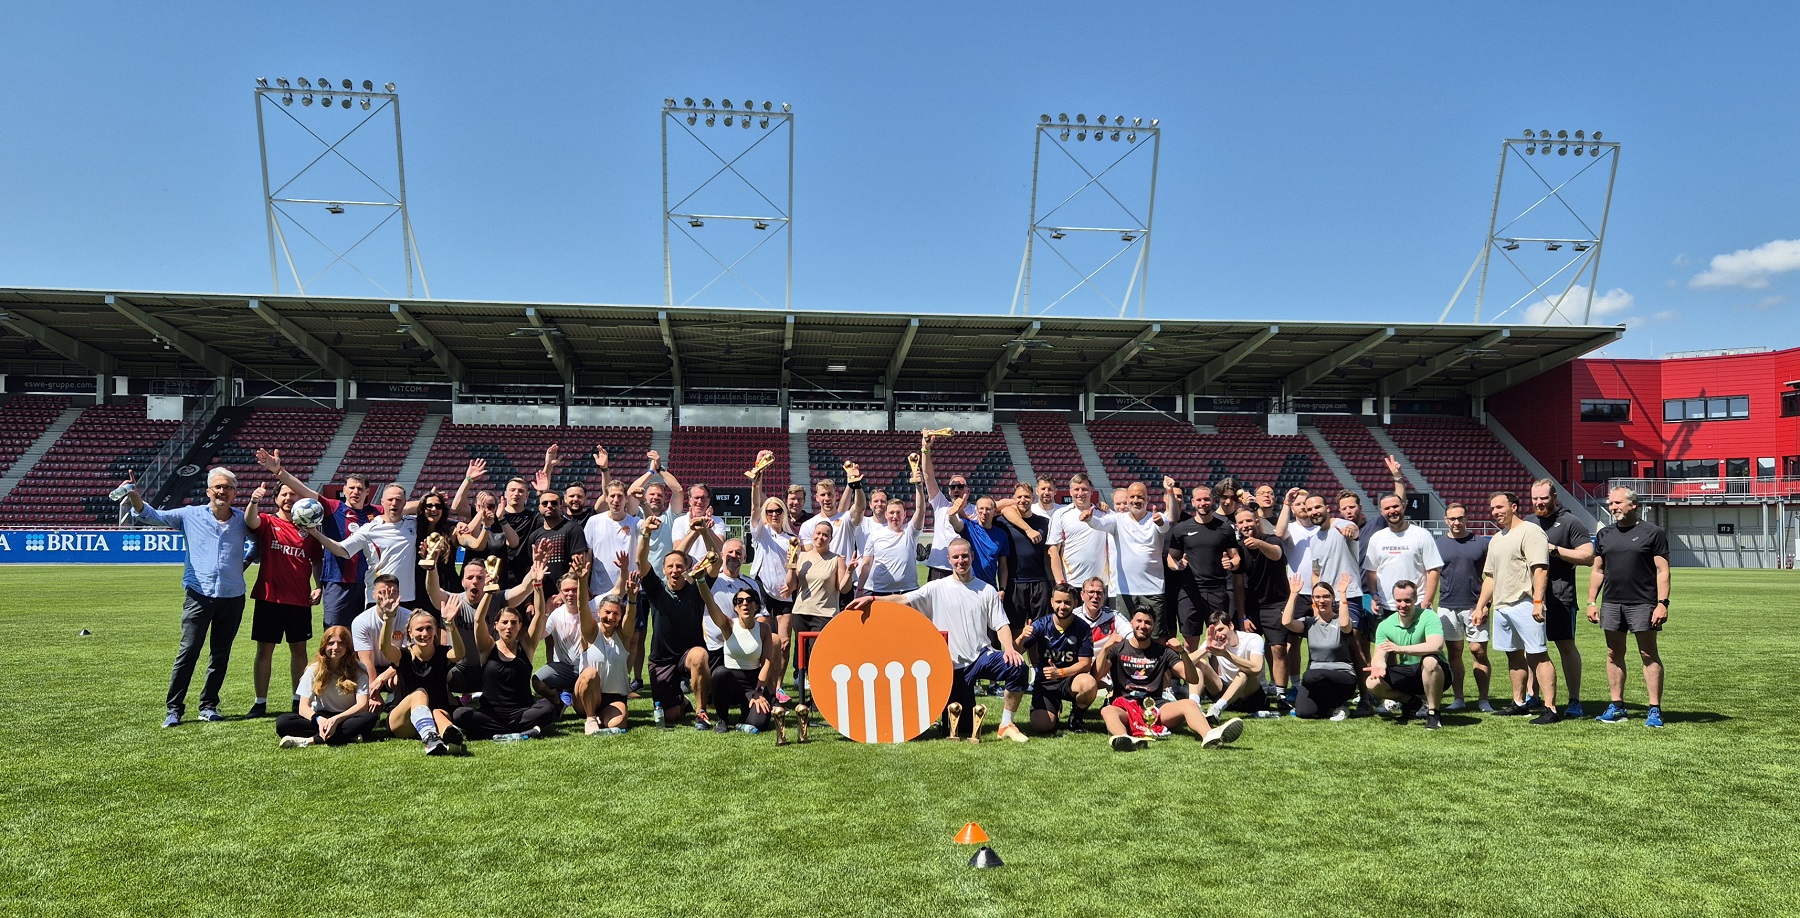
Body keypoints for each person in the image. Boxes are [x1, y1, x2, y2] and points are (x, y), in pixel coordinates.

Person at [850, 538, 1030, 743]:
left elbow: (1000, 624)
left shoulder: (986, 590)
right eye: (956, 557)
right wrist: (873, 599)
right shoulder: (936, 588)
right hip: (950, 666)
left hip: (982, 657)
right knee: (959, 728)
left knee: (1018, 667)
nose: (961, 560)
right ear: (949, 560)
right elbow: (903, 599)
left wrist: (1009, 648)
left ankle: (1006, 724)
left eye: (964, 556)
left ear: (972, 557)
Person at [125, 466, 253, 727]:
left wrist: (247, 562)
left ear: (235, 492)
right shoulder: (189, 515)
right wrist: (135, 496)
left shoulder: (243, 519)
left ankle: (208, 706)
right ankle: (174, 709)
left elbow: (261, 542)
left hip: (232, 595)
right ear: (209, 491)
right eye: (218, 486)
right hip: (199, 594)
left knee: (220, 654)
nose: (223, 491)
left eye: (228, 487)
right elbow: (150, 515)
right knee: (188, 653)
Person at [254, 449, 376, 629]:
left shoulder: (377, 513)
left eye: (360, 488)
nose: (355, 491)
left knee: (366, 635)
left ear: (367, 492)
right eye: (351, 487)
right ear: (344, 490)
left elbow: (400, 506)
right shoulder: (332, 507)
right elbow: (303, 490)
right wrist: (278, 471)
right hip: (337, 582)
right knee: (335, 634)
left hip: (367, 583)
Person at [1099, 607, 1244, 751]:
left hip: (1156, 707)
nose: (1143, 626)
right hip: (1124, 706)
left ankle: (1210, 735)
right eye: (1139, 621)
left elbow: (1192, 678)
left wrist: (1183, 653)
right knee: (1107, 711)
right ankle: (1126, 740)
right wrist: (1106, 648)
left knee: (1189, 704)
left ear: (1154, 626)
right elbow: (1097, 675)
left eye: (1148, 623)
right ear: (1131, 623)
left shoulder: (1163, 652)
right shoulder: (1118, 648)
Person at [1587, 486, 1672, 728]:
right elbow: (1597, 570)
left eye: (1617, 503)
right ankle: (1617, 705)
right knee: (1613, 654)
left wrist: (1662, 604)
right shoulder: (1604, 535)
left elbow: (1662, 570)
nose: (1613, 508)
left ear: (1632, 505)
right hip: (1612, 603)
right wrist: (1592, 601)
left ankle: (1654, 709)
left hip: (1643, 603)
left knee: (1648, 654)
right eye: (1610, 504)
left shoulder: (1652, 532)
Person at [1472, 491, 1558, 725]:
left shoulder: (1531, 532)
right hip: (1502, 605)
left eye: (1500, 507)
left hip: (1526, 603)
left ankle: (1550, 708)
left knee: (1538, 654)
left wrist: (1538, 602)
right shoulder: (1497, 538)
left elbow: (1540, 569)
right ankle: (1519, 703)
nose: (1495, 512)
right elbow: (1490, 577)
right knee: (1513, 654)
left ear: (1514, 507)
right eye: (1492, 509)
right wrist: (1481, 606)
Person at [451, 558, 561, 741]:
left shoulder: (526, 646)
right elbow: (479, 620)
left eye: (513, 623)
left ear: (519, 626)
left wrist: (538, 585)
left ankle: (496, 733)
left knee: (547, 707)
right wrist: (489, 590)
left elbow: (540, 616)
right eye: (504, 623)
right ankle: (521, 732)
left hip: (521, 712)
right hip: (492, 714)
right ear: (495, 626)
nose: (508, 627)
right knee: (460, 714)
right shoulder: (487, 648)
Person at [244, 480, 324, 718]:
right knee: (264, 650)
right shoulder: (268, 521)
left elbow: (317, 560)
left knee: (299, 651)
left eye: (293, 495)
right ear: (276, 498)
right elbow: (251, 521)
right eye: (284, 494)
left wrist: (319, 586)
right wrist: (254, 500)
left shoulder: (309, 528)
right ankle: (260, 703)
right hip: (269, 598)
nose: (289, 498)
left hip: (299, 600)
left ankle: (298, 700)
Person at [637, 514, 715, 729]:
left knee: (700, 655)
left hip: (688, 654)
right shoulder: (655, 589)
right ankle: (681, 702)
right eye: (670, 566)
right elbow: (640, 561)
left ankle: (701, 712)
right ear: (663, 570)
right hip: (662, 659)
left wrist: (704, 532)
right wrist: (646, 533)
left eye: (679, 566)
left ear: (687, 568)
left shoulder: (697, 588)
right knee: (669, 715)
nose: (674, 570)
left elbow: (714, 560)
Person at [1528, 479, 1592, 717]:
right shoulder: (1528, 522)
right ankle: (1532, 696)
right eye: (1535, 498)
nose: (1539, 503)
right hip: (1532, 596)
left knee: (1566, 647)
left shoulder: (1570, 522)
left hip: (1561, 596)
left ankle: (1574, 700)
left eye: (1543, 498)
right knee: (1531, 648)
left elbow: (1588, 556)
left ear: (1554, 497)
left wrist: (1553, 549)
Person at [305, 483, 419, 607]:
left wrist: (431, 499)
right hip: (377, 597)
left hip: (407, 597)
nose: (394, 503)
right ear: (382, 502)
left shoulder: (414, 524)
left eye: (398, 500)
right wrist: (315, 533)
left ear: (404, 503)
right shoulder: (369, 529)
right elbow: (342, 550)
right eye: (390, 499)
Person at [381, 597, 470, 755]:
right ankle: (430, 738)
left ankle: (451, 739)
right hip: (402, 721)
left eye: (429, 628)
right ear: (410, 633)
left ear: (435, 630)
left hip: (434, 714)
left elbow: (459, 653)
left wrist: (450, 624)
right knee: (420, 693)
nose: (424, 633)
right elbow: (385, 648)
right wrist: (388, 619)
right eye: (419, 629)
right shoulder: (404, 655)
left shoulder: (442, 654)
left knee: (438, 712)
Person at [1429, 503, 1492, 711]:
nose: (1456, 522)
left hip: (1475, 606)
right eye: (1452, 519)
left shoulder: (1481, 543)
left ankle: (1483, 700)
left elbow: (1492, 577)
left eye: (1460, 518)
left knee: (1478, 651)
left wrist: (1485, 605)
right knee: (1454, 653)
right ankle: (1459, 698)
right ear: (1446, 520)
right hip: (1447, 607)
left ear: (1467, 519)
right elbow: (1431, 576)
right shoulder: (1437, 545)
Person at [1086, 478, 1174, 626]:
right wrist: (1089, 519)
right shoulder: (1117, 520)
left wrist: (1160, 521)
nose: (1136, 500)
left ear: (1147, 499)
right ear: (1127, 500)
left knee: (1155, 634)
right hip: (1125, 590)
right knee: (1125, 633)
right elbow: (1100, 524)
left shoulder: (1155, 517)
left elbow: (1165, 525)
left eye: (1140, 496)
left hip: (1153, 588)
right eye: (1132, 497)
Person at [1165, 484, 1241, 649]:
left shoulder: (1225, 528)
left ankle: (1216, 675)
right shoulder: (1182, 529)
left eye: (1206, 499)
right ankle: (1193, 675)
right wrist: (1177, 565)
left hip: (1217, 592)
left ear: (1212, 500)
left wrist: (1231, 564)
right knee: (1190, 642)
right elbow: (1171, 558)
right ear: (1192, 502)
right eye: (1198, 499)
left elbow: (1236, 558)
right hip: (1189, 592)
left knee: (1218, 640)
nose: (1203, 503)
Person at [274, 626, 378, 747]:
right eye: (331, 643)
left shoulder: (359, 669)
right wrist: (320, 720)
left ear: (348, 647)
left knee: (369, 718)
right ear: (324, 646)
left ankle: (312, 740)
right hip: (320, 716)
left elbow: (362, 705)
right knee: (283, 722)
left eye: (341, 643)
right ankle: (347, 736)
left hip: (346, 717)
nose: (335, 648)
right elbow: (303, 708)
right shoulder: (313, 669)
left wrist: (336, 720)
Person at [1365, 580, 1448, 730]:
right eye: (1399, 600)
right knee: (1371, 683)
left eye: (1407, 600)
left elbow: (1436, 646)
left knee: (1429, 661)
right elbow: (1379, 653)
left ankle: (1433, 713)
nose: (1402, 605)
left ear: (1416, 600)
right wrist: (1379, 667)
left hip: (1437, 672)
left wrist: (1400, 649)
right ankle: (1412, 702)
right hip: (1409, 672)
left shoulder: (1429, 617)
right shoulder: (1385, 625)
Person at [1014, 584, 1097, 734]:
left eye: (1067, 602)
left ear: (1075, 603)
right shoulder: (1041, 625)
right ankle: (1054, 707)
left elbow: (1085, 664)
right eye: (1058, 602)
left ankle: (1076, 717)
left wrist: (1060, 672)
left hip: (1069, 680)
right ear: (1052, 602)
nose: (1062, 606)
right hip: (1046, 682)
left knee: (1089, 684)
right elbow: (1015, 653)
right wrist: (1021, 637)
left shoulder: (1083, 628)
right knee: (1041, 727)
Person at [1231, 507, 1290, 707]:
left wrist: (1259, 544)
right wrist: (1242, 616)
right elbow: (1238, 586)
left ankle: (1281, 693)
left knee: (1278, 648)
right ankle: (1257, 691)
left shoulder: (1271, 540)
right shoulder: (1238, 548)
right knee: (1248, 651)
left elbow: (1276, 554)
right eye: (1241, 522)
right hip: (1251, 606)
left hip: (1276, 603)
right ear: (1237, 526)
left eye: (1249, 520)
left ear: (1257, 520)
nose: (1246, 525)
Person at [787, 519, 850, 698]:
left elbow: (843, 588)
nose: (821, 537)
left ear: (830, 538)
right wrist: (791, 564)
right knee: (802, 658)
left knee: (818, 658)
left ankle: (819, 697)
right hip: (801, 612)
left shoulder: (836, 559)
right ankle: (802, 699)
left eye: (825, 535)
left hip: (824, 614)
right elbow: (791, 585)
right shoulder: (802, 557)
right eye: (818, 533)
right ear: (812, 535)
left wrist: (850, 571)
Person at [1281, 576, 1358, 720]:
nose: (1322, 600)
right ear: (1313, 600)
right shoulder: (1309, 623)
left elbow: (1345, 625)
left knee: (1310, 676)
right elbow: (1286, 622)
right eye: (1317, 597)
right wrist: (1293, 594)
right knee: (1303, 712)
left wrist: (1343, 595)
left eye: (1326, 597)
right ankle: (1332, 707)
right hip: (1316, 679)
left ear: (1332, 598)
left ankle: (1340, 704)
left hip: (1343, 676)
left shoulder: (1340, 622)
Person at [705, 586, 778, 732]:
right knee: (719, 673)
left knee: (759, 724)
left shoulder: (764, 629)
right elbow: (710, 603)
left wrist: (759, 691)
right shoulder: (728, 625)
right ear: (736, 608)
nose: (745, 604)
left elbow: (766, 663)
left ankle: (744, 717)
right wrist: (701, 581)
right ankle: (722, 719)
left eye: (749, 600)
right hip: (730, 682)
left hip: (753, 684)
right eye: (740, 601)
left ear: (756, 606)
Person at [995, 481, 1052, 629]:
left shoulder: (1044, 522)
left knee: (1039, 630)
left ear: (1033, 498)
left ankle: (1037, 654)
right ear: (1013, 499)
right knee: (1015, 629)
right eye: (1019, 497)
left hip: (1040, 582)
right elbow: (994, 506)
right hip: (1014, 583)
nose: (1023, 500)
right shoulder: (1002, 521)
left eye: (1027, 496)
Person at [859, 475, 925, 598]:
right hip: (878, 592)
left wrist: (919, 486)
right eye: (891, 512)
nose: (895, 516)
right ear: (886, 515)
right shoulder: (874, 535)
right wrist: (859, 589)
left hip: (907, 591)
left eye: (898, 512)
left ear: (905, 515)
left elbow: (920, 510)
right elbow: (866, 564)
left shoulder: (910, 532)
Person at [1194, 611, 1268, 719]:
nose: (1218, 635)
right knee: (1200, 663)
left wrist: (1226, 654)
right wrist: (1206, 648)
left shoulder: (1253, 639)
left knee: (1244, 672)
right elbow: (1186, 663)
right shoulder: (1214, 641)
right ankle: (1194, 705)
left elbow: (1256, 668)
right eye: (1215, 632)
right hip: (1226, 693)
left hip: (1252, 697)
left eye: (1220, 629)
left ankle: (1217, 709)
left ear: (1231, 626)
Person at [1046, 473, 1109, 590]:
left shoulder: (1104, 514)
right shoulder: (1061, 514)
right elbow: (1053, 550)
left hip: (1099, 584)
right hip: (1071, 583)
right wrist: (1060, 582)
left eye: (1084, 489)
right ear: (1070, 492)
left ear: (1091, 491)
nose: (1080, 494)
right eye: (1076, 489)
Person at [946, 494, 1012, 592]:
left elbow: (1002, 566)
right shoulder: (969, 527)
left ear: (994, 511)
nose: (984, 512)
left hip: (990, 588)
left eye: (988, 509)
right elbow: (956, 524)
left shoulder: (1001, 535)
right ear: (976, 510)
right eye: (981, 508)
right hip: (968, 587)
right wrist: (951, 515)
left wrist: (1002, 589)